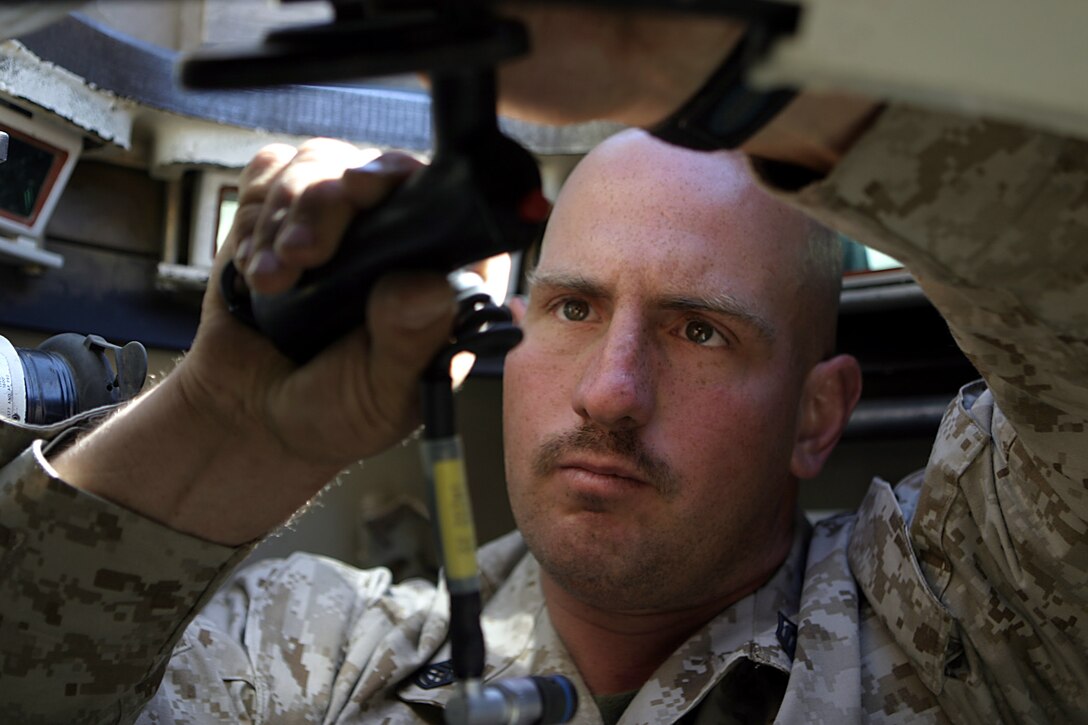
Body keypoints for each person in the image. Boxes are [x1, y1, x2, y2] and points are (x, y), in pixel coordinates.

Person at [1, 6, 1086, 724]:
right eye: (570, 307)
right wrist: (225, 422)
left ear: (817, 415)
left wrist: (741, 66)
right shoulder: (311, 656)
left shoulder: (971, 616)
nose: (609, 390)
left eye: (698, 329)